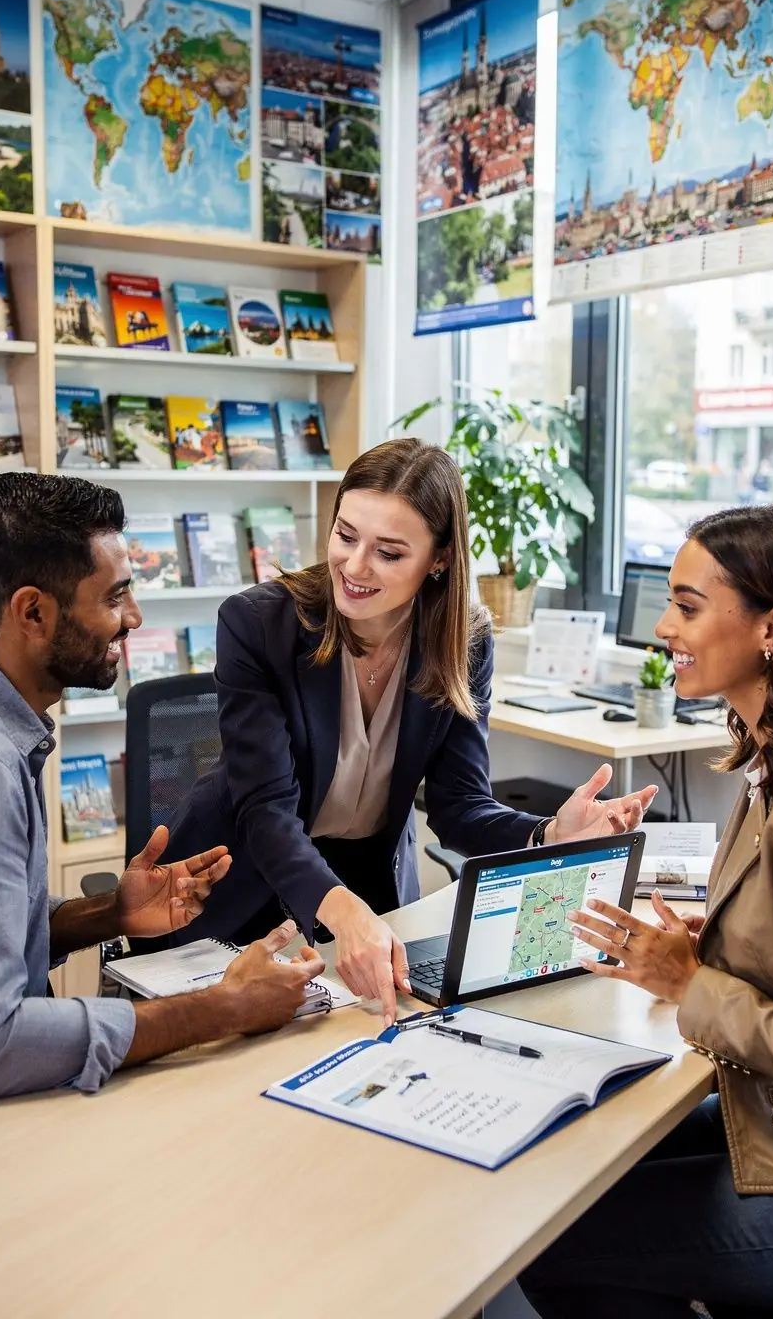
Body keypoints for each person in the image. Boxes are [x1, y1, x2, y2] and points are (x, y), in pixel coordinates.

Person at [165, 437, 657, 1027]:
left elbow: (459, 807)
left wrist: (549, 833)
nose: (354, 566)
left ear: (440, 559)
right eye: (346, 535)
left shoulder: (463, 641)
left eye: (389, 553)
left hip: (368, 896)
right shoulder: (257, 623)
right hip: (239, 889)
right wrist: (344, 914)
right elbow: (267, 810)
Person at [0, 473, 324, 1103]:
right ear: (32, 612)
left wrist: (113, 913)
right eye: (114, 597)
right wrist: (221, 1009)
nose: (133, 618)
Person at [519, 505, 773, 1318]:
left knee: (549, 1238)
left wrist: (693, 981)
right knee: (578, 1171)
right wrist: (717, 947)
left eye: (689, 607)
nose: (664, 627)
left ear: (771, 627)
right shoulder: (763, 752)